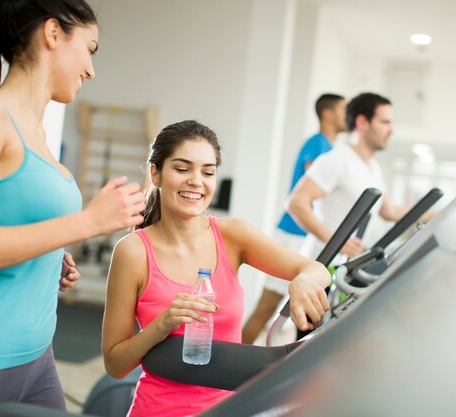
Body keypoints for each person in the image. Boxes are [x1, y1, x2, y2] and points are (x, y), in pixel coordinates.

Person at [0, 1, 146, 416]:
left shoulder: (38, 132)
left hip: (38, 358)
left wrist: (45, 253)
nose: (91, 70)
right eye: (90, 49)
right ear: (53, 34)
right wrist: (86, 222)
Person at [102, 120, 330, 417]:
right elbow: (115, 365)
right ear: (156, 173)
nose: (196, 181)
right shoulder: (132, 251)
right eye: (182, 169)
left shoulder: (232, 235)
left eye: (207, 172)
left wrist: (301, 282)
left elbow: (316, 269)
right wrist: (163, 324)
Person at [242, 93, 355, 345]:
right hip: (293, 234)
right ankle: (224, 368)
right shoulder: (318, 145)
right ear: (327, 113)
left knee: (304, 311)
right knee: (267, 306)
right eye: (343, 110)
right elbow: (312, 193)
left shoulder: (331, 149)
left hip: (306, 238)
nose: (347, 116)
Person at [288, 92, 411, 268]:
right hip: (318, 263)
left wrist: (434, 213)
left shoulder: (374, 168)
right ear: (362, 122)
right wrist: (337, 241)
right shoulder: (337, 159)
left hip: (342, 267)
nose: (391, 129)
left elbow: (389, 211)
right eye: (385, 122)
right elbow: (296, 202)